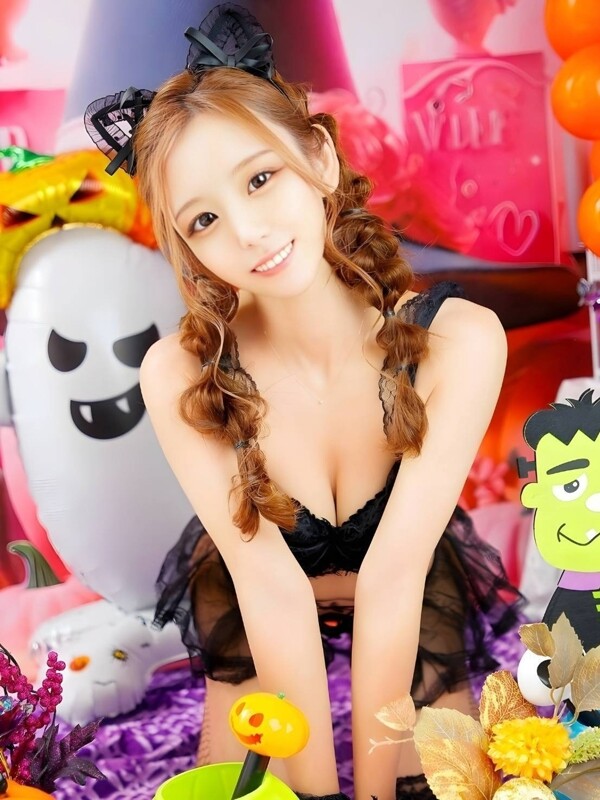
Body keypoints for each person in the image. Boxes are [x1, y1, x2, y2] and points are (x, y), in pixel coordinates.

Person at [84, 5, 522, 799]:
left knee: (435, 786)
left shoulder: (460, 340)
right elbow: (270, 590)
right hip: (258, 601)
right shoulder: (180, 373)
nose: (250, 232)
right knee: (255, 788)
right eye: (205, 219)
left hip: (409, 585)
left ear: (318, 157)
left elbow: (395, 575)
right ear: (188, 248)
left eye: (262, 179)